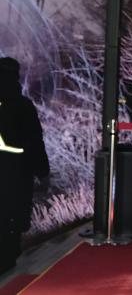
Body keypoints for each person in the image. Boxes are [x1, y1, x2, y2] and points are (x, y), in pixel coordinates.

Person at [0, 57, 49, 274]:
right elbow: (35, 141)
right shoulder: (23, 105)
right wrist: (43, 172)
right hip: (17, 171)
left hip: (13, 168)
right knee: (12, 220)